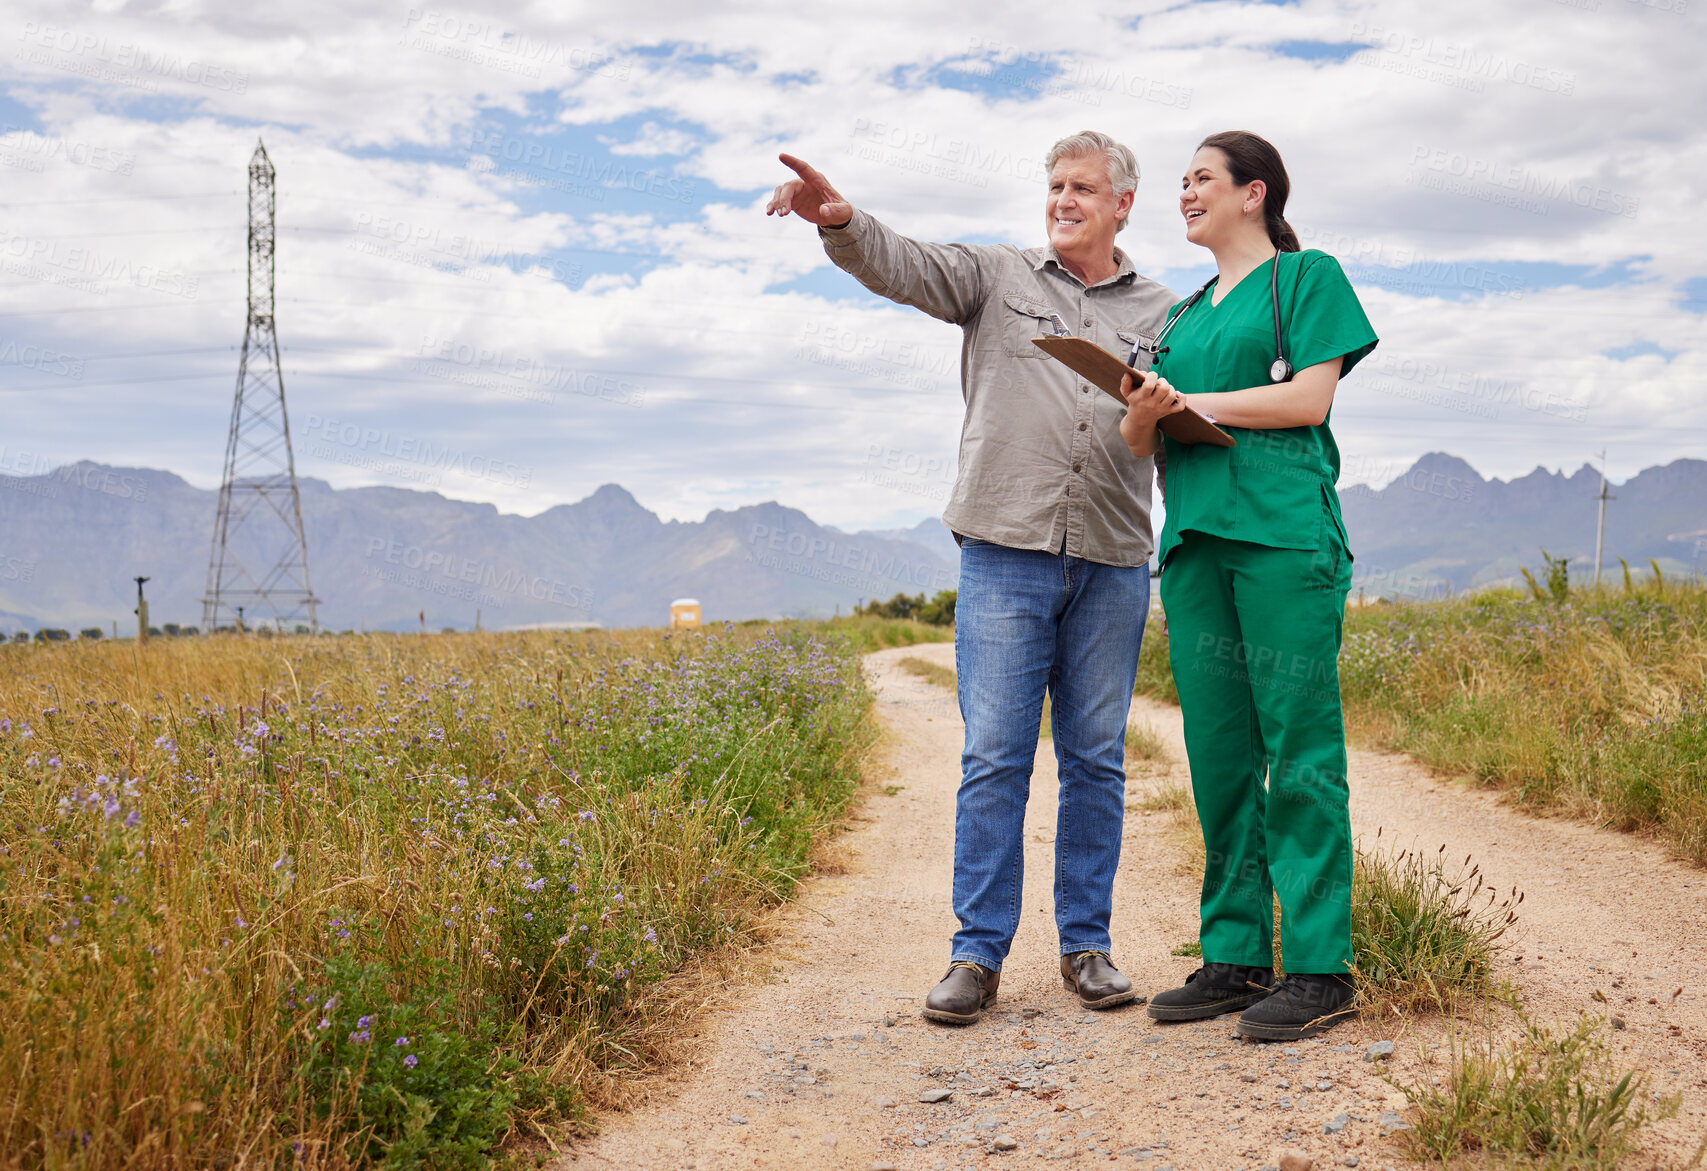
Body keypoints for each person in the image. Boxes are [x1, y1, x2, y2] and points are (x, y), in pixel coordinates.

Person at [766, 132, 1186, 1024]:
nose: (1063, 199)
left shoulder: (1166, 311)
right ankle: (975, 954)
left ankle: (1086, 947)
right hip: (1003, 550)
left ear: (1121, 205)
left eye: (1082, 188)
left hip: (1113, 558)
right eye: (1054, 186)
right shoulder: (996, 277)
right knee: (994, 757)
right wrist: (841, 222)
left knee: (1097, 761)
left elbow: (1183, 425)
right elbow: (905, 266)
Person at [1117, 131, 1378, 1042]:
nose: (1183, 193)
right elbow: (1139, 442)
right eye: (1180, 182)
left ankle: (1316, 964)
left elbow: (1306, 400)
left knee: (1298, 747)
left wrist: (1191, 403)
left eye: (1200, 179)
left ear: (1251, 193)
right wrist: (1148, 413)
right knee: (1219, 754)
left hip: (1279, 538)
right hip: (1192, 541)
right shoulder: (1182, 318)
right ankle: (1233, 952)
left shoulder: (1306, 280)